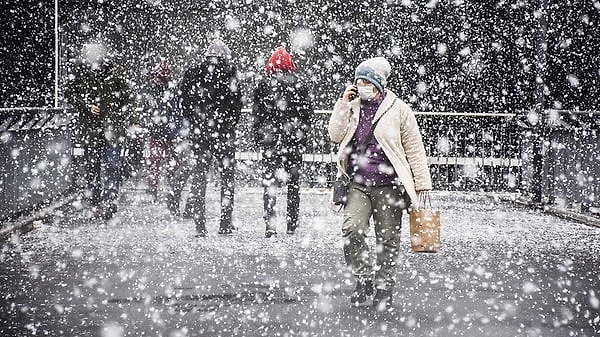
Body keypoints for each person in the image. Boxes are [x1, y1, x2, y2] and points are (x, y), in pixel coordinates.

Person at [327, 56, 432, 311]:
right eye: (358, 81)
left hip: (389, 185)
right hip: (358, 183)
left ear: (378, 83)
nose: (361, 86)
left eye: (366, 81)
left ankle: (384, 287)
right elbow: (334, 134)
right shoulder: (352, 106)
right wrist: (343, 103)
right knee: (352, 229)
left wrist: (422, 184)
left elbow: (414, 149)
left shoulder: (399, 109)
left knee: (387, 239)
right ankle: (363, 278)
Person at [177, 39, 242, 237]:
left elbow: (183, 102)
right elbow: (236, 104)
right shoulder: (230, 74)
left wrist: (196, 122)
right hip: (223, 134)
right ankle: (224, 222)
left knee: (199, 177)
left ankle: (200, 225)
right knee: (227, 179)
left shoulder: (192, 73)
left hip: (200, 134)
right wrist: (227, 123)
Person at [251, 46, 314, 238]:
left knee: (270, 183)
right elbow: (307, 116)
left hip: (271, 142)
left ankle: (270, 224)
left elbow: (258, 115)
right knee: (293, 184)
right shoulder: (300, 85)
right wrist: (302, 136)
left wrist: (258, 136)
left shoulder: (264, 85)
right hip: (293, 141)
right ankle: (292, 223)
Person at [64, 51, 135, 220]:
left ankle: (109, 202)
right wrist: (86, 106)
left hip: (112, 129)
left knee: (110, 165)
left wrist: (127, 116)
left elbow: (129, 97)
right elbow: (69, 93)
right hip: (92, 129)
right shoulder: (81, 72)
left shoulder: (116, 73)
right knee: (92, 167)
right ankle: (96, 202)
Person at [141, 61, 179, 201]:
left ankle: (167, 187)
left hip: (166, 133)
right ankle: (156, 189)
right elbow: (147, 110)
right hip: (159, 132)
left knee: (167, 162)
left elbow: (175, 112)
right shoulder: (155, 91)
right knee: (155, 162)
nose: (154, 79)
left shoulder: (169, 91)